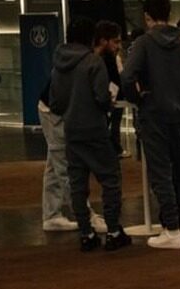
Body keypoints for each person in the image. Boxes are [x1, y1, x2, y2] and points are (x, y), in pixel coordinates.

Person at [121, 0, 180, 249]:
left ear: (147, 16)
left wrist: (140, 101)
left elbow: (127, 77)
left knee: (160, 171)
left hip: (154, 115)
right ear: (170, 13)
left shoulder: (143, 43)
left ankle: (171, 228)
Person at [49, 17, 130, 252]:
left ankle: (86, 233)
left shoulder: (58, 64)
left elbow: (55, 102)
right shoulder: (93, 62)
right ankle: (114, 231)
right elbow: (102, 98)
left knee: (77, 183)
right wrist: (106, 102)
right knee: (110, 179)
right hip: (94, 128)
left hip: (71, 129)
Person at [95, 21, 126, 158]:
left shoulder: (110, 59)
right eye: (115, 42)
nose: (118, 46)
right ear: (103, 41)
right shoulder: (93, 60)